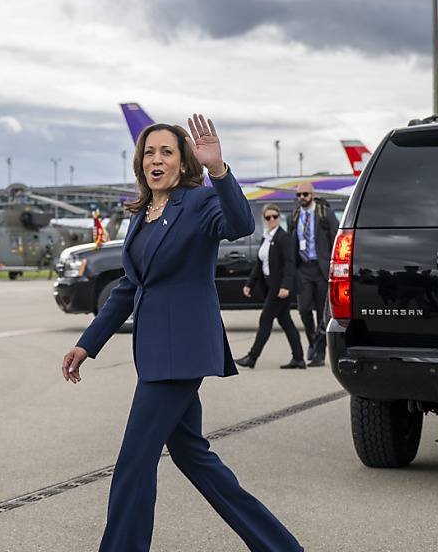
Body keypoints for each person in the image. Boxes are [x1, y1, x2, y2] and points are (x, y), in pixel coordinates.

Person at [62, 114, 304, 552]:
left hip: (182, 351)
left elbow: (238, 225)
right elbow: (129, 287)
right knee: (196, 458)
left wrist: (219, 170)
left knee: (134, 462)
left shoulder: (196, 202)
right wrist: (87, 343)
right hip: (156, 352)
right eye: (149, 152)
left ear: (182, 162)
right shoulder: (142, 214)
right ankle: (280, 547)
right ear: (141, 162)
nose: (157, 160)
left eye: (167, 152)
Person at [234, 204, 305, 369]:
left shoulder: (283, 237)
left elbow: (290, 264)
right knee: (286, 321)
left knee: (265, 319)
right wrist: (249, 284)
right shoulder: (266, 238)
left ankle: (252, 357)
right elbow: (260, 264)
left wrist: (286, 286)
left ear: (279, 218)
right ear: (264, 219)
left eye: (274, 216)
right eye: (268, 217)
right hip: (271, 286)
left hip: (280, 288)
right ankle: (299, 358)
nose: (272, 220)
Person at [287, 181, 338, 366]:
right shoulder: (293, 216)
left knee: (322, 312)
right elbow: (290, 243)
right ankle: (313, 342)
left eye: (305, 195)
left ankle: (319, 353)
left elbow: (336, 237)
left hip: (321, 268)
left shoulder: (325, 213)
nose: (302, 198)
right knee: (303, 309)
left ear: (313, 195)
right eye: (299, 195)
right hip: (303, 269)